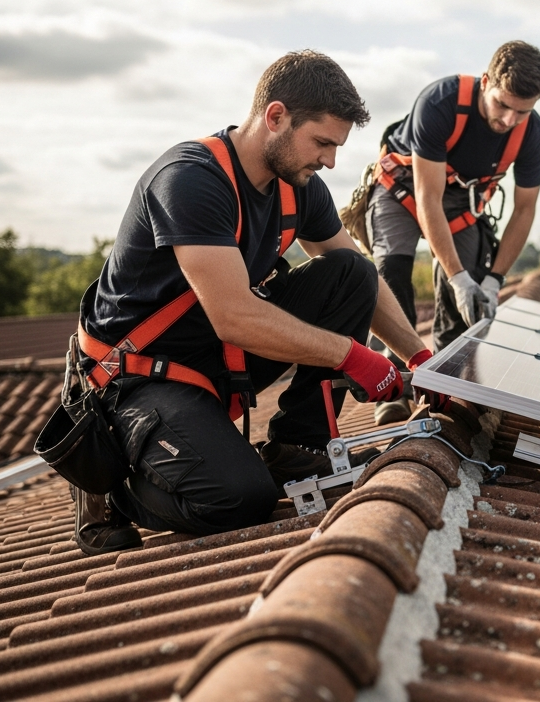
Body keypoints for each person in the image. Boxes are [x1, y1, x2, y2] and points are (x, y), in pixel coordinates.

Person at [72, 50, 445, 555]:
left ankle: (300, 445)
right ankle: (110, 481)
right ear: (275, 117)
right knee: (240, 499)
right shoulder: (191, 179)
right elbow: (234, 316)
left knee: (351, 273)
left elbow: (365, 279)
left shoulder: (297, 185)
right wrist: (352, 356)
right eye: (322, 143)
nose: (330, 161)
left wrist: (420, 359)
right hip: (139, 374)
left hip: (217, 358)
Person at [362, 41, 540, 423]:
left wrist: (493, 280)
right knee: (392, 274)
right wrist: (459, 277)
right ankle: (392, 386)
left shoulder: (532, 134)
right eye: (502, 105)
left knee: (466, 296)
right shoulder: (441, 103)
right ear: (486, 82)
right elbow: (426, 198)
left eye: (523, 111)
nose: (509, 120)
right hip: (402, 188)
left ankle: (444, 383)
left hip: (461, 203)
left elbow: (525, 209)